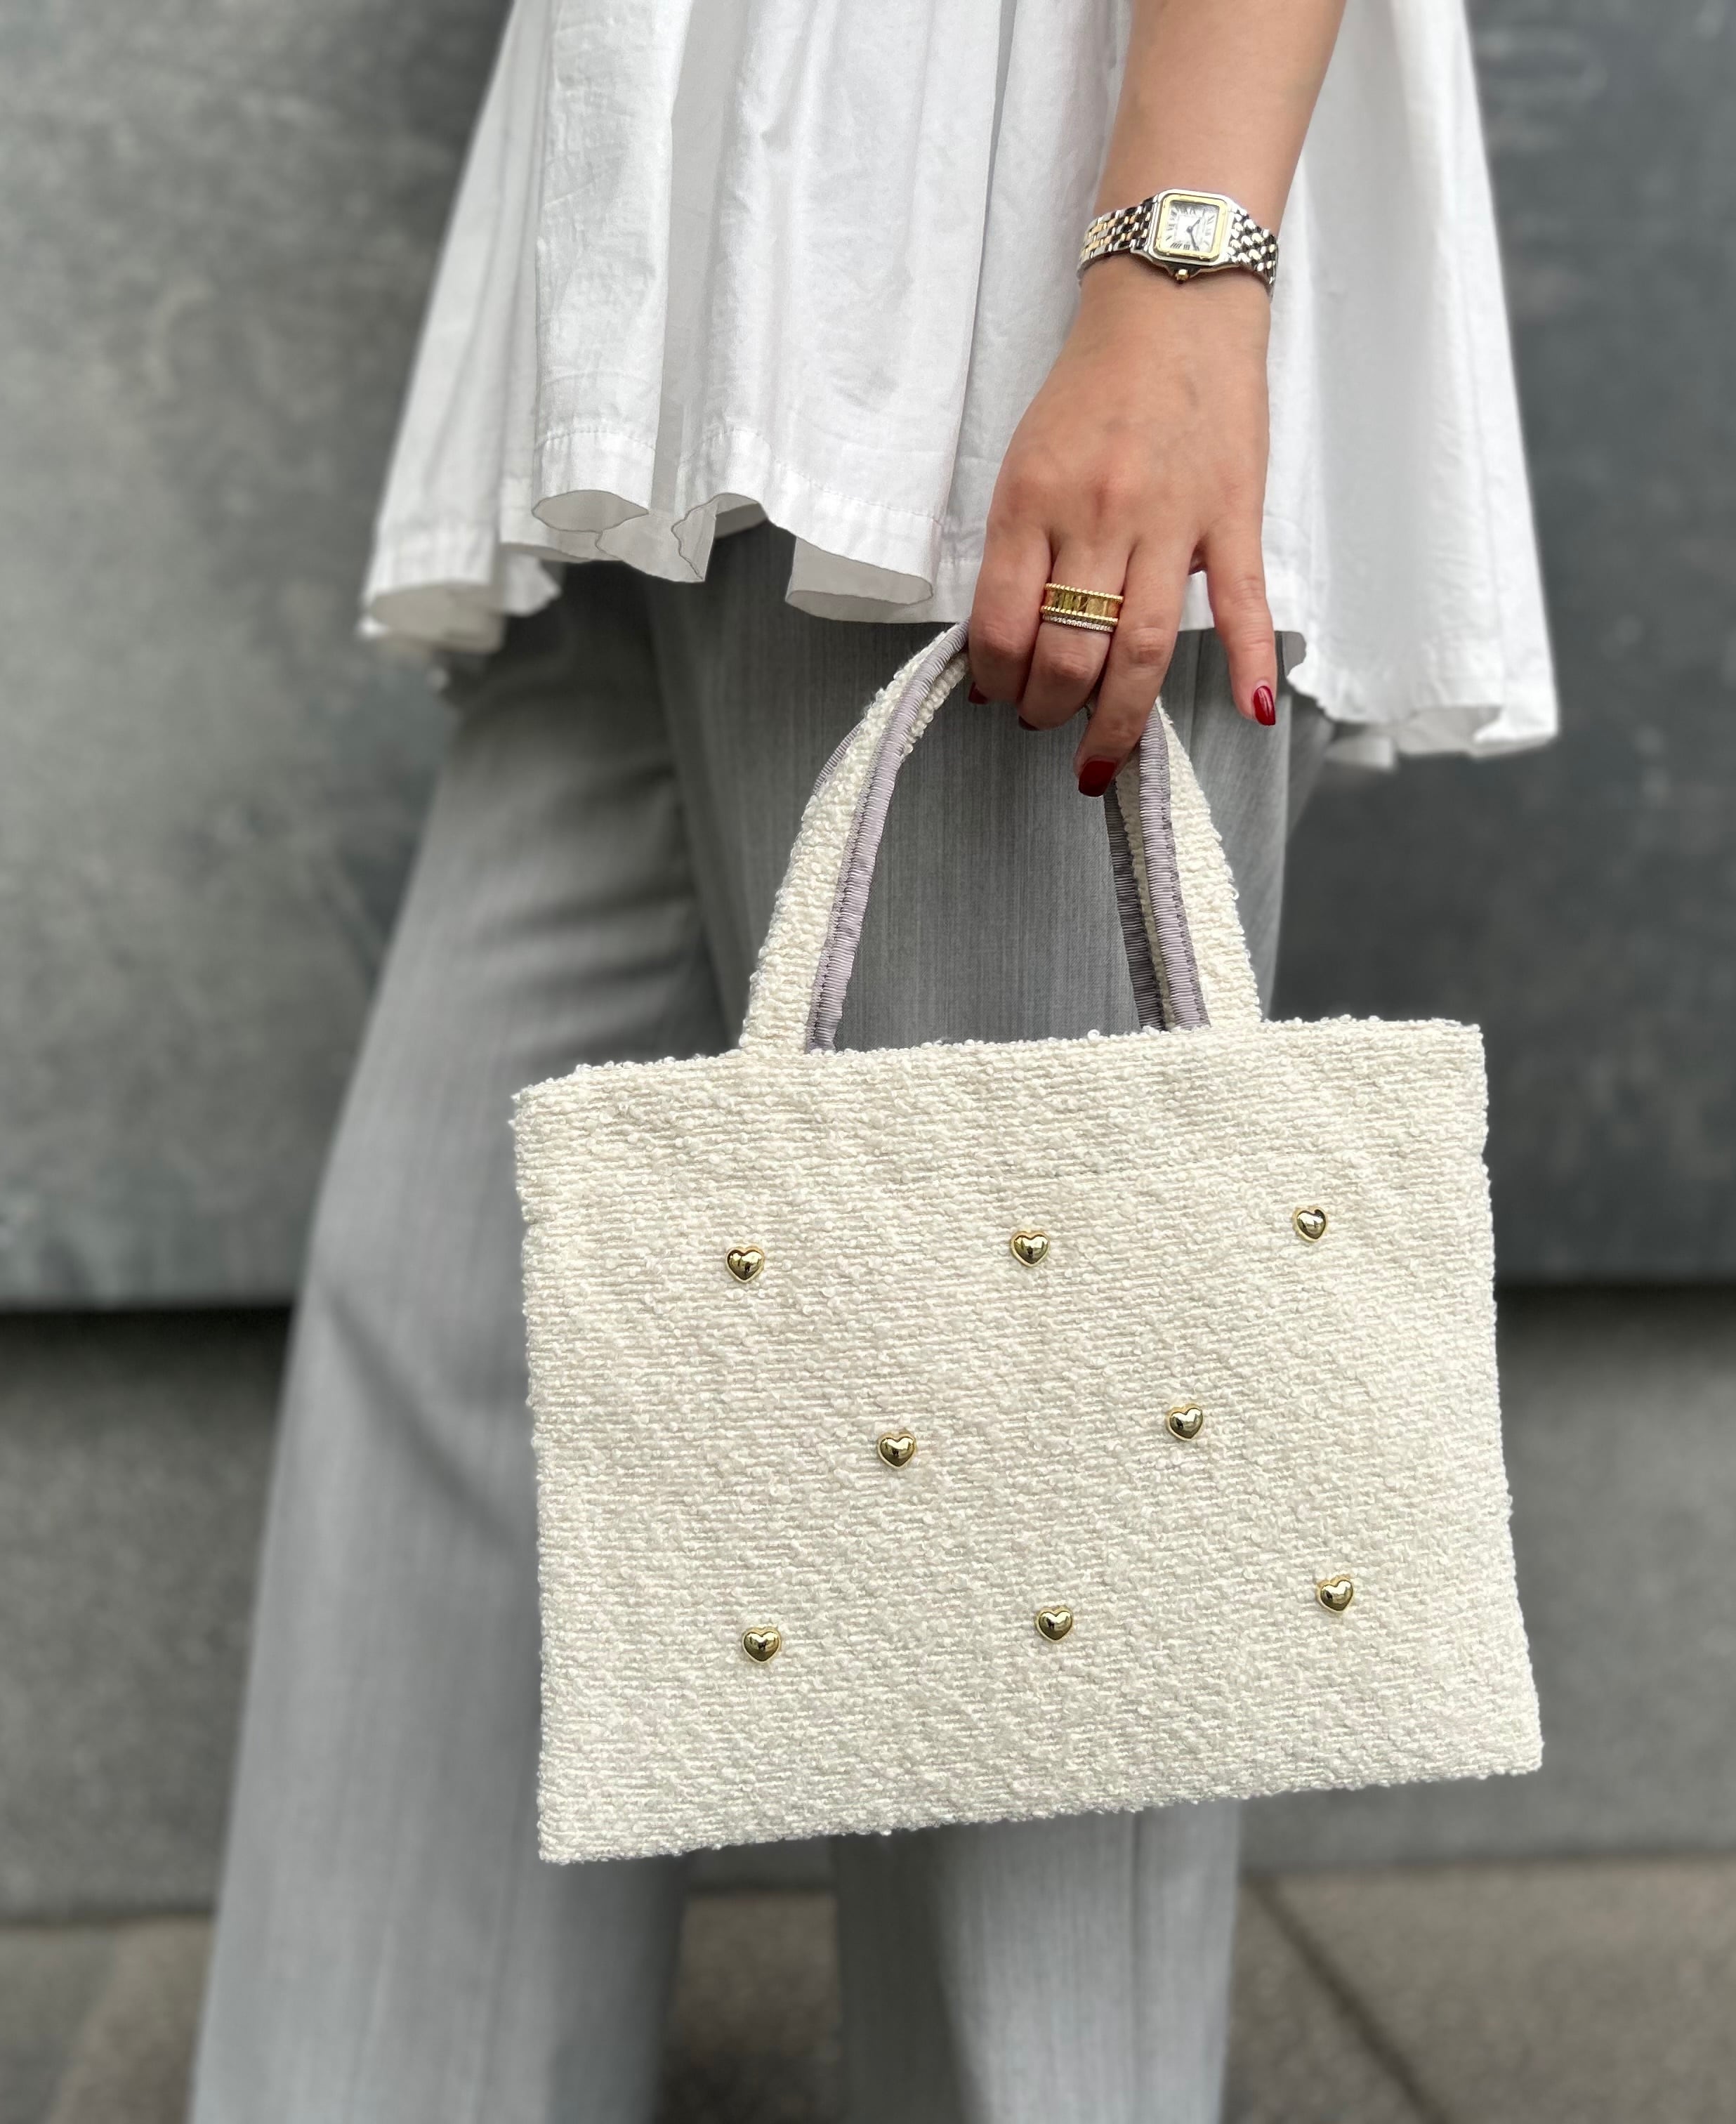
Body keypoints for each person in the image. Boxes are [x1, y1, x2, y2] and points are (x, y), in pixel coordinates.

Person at [192, 0, 1554, 2116]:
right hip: (670, 259)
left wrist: (1177, 266)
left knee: (1043, 1547)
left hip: (985, 238)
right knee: (466, 1351)